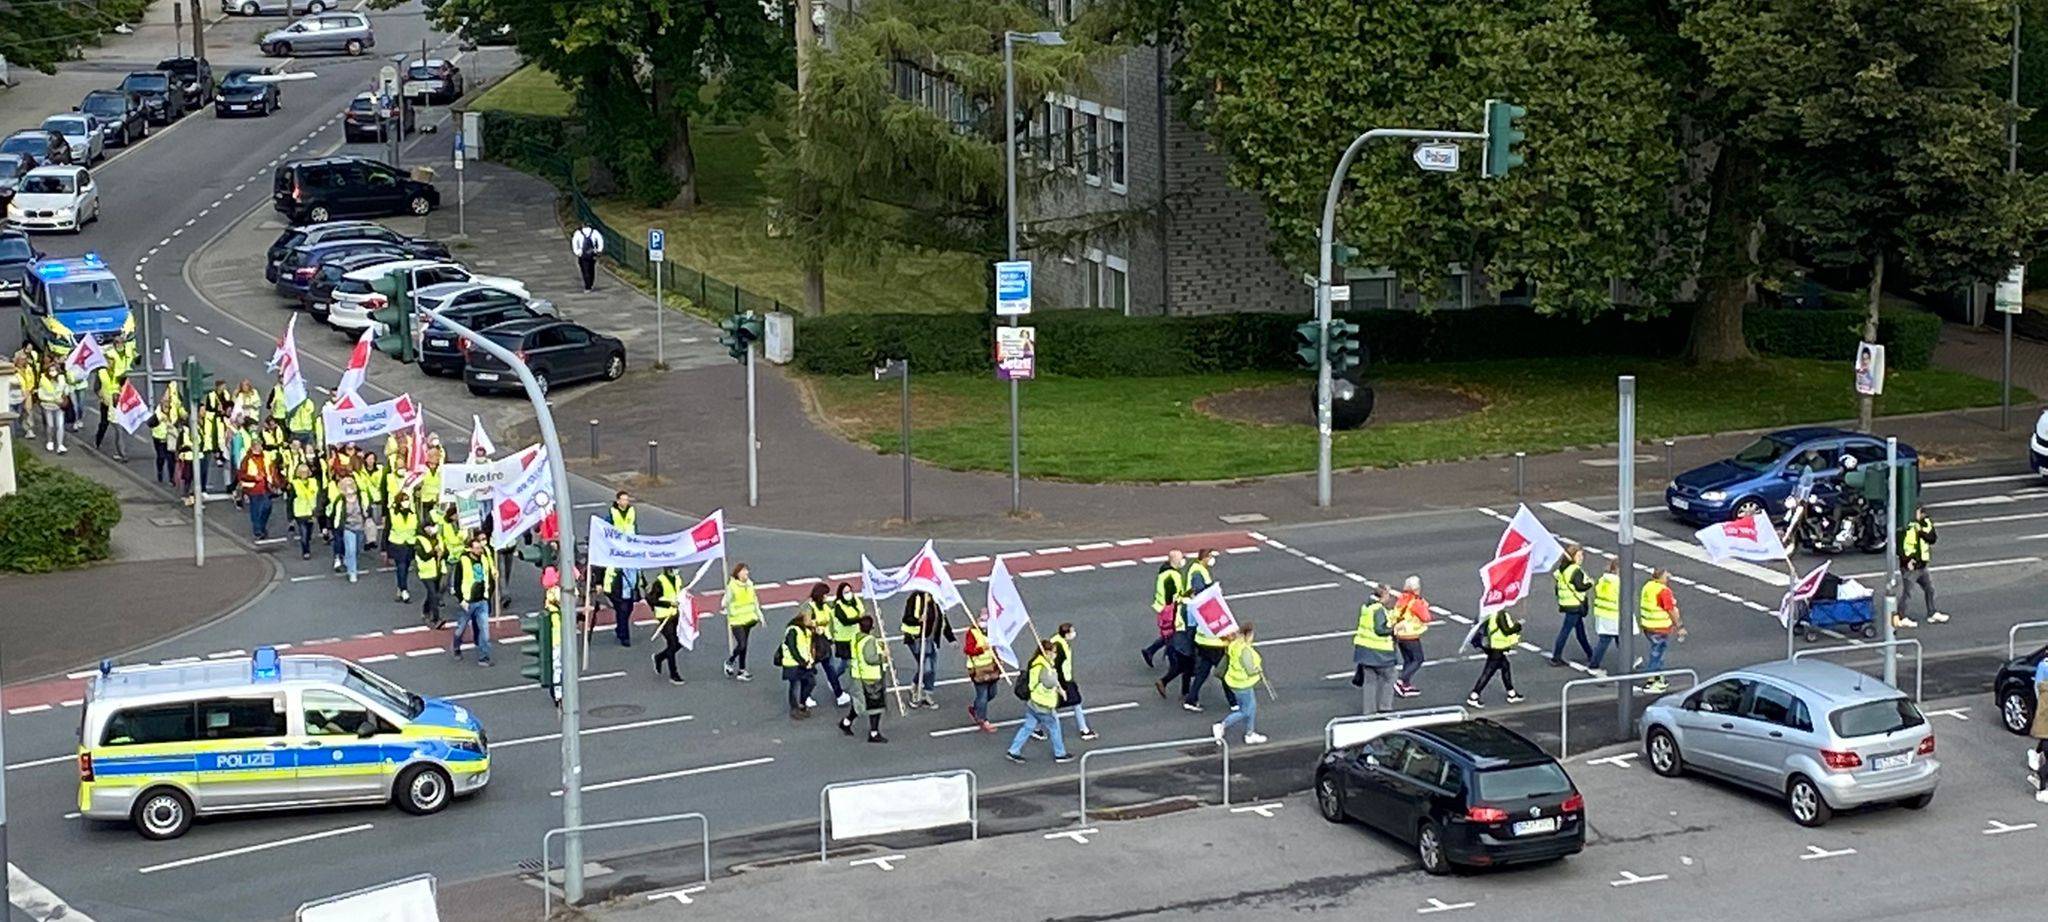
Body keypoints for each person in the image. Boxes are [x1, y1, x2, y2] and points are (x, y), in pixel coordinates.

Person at [1183, 549, 1235, 712]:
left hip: (1202, 641)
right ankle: (1233, 702)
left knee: (1203, 671)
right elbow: (1220, 625)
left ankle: (1191, 699)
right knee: (1224, 672)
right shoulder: (1211, 604)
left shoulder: (1202, 608)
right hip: (1214, 644)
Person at [1006, 640, 1072, 764]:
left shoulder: (1036, 663)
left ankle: (1013, 750)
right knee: (1054, 728)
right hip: (1044, 704)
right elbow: (1049, 682)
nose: (1055, 654)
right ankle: (1060, 753)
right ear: (1046, 652)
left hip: (1033, 702)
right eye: (1053, 652)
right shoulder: (1045, 667)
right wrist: (1057, 684)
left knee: (1028, 727)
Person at [1213, 622, 1266, 745]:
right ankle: (1222, 725)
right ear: (1248, 635)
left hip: (1234, 681)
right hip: (1243, 684)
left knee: (1251, 707)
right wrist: (1258, 669)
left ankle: (1250, 733)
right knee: (1246, 711)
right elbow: (1250, 670)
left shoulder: (1234, 644)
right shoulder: (1245, 650)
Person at [839, 615, 889, 743]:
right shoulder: (870, 641)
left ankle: (846, 722)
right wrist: (883, 656)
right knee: (875, 706)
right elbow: (870, 658)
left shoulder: (855, 638)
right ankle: (874, 733)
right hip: (870, 677)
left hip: (857, 674)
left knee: (859, 703)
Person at [901, 590, 954, 709]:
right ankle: (916, 690)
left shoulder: (936, 602)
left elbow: (943, 621)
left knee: (931, 668)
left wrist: (951, 639)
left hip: (930, 640)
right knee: (927, 667)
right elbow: (906, 618)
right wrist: (918, 620)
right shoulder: (916, 598)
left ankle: (925, 693)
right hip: (916, 639)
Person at [1350, 587, 1399, 714]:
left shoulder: (1366, 607)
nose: (1390, 597)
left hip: (1364, 651)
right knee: (1391, 676)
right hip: (1380, 653)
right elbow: (1380, 629)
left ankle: (1369, 712)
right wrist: (1394, 629)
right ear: (1383, 596)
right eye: (1388, 594)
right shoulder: (1378, 610)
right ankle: (1385, 708)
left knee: (1369, 682)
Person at [1467, 606, 1527, 708]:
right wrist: (1517, 626)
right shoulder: (1499, 614)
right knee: (1488, 672)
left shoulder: (1489, 612)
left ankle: (1511, 693)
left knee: (1505, 666)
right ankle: (1474, 695)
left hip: (1491, 646)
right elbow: (1506, 630)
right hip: (1497, 648)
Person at [1638, 567, 1685, 692]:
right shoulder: (1664, 591)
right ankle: (1653, 681)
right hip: (1660, 627)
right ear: (1661, 577)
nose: (1668, 578)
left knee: (1655, 652)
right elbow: (1670, 610)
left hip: (1648, 625)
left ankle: (1656, 678)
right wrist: (1679, 626)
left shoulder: (1648, 586)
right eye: (1666, 576)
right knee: (1657, 654)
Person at [452, 535, 497, 666]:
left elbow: (488, 577)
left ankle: (484, 657)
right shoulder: (463, 561)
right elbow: (457, 582)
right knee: (460, 628)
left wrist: (489, 594)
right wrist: (461, 600)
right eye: (476, 548)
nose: (479, 550)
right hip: (468, 601)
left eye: (480, 548)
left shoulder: (484, 559)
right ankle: (456, 646)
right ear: (470, 549)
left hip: (482, 601)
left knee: (485, 632)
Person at [1548, 544, 1594, 666]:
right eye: (1579, 555)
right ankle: (1556, 657)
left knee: (1580, 632)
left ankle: (1591, 654)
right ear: (1572, 556)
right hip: (1575, 605)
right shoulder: (1575, 570)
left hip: (1568, 604)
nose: (1581, 558)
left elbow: (1558, 589)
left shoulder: (1563, 570)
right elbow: (1580, 586)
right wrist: (1590, 584)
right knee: (1566, 631)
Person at [1050, 622, 1097, 741]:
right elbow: (1058, 666)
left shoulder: (1058, 641)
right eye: (1072, 631)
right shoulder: (1059, 646)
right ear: (1066, 634)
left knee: (1052, 706)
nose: (1074, 633)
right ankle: (1084, 730)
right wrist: (1062, 685)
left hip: (1064, 679)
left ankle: (1037, 728)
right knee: (1075, 702)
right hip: (1063, 680)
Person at [1900, 506, 1943, 625]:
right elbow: (1903, 546)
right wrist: (1907, 561)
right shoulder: (1908, 526)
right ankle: (1901, 617)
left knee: (1930, 589)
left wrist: (1921, 531)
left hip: (1922, 565)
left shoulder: (1925, 524)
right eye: (1920, 512)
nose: (1922, 515)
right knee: (1907, 593)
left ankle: (1932, 613)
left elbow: (1932, 538)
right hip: (1911, 566)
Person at [1142, 549, 1186, 668]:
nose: (1183, 561)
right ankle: (1173, 662)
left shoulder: (1165, 571)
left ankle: (1150, 651)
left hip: (1163, 608)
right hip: (1169, 609)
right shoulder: (1172, 575)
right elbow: (1171, 596)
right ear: (1175, 560)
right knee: (1171, 635)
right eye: (1181, 558)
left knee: (1169, 634)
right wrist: (1183, 599)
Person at [325, 466, 368, 583]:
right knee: (350, 550)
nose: (349, 489)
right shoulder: (340, 500)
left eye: (351, 486)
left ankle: (348, 561)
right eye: (346, 487)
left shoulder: (361, 497)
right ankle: (352, 572)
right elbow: (334, 514)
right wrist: (333, 528)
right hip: (347, 527)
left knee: (357, 549)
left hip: (360, 526)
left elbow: (366, 510)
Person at [962, 609, 1003, 732]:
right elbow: (968, 650)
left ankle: (976, 709)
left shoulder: (993, 631)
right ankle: (983, 719)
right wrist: (981, 649)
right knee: (983, 695)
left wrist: (999, 659)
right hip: (978, 670)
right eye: (982, 620)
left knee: (992, 693)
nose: (984, 622)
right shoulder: (972, 633)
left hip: (992, 668)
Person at [1392, 576, 1431, 698]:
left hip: (1400, 635)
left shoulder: (1401, 599)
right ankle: (1401, 680)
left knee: (1408, 660)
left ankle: (1406, 685)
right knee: (1418, 659)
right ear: (1416, 589)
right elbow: (1426, 617)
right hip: (1410, 635)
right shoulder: (1416, 602)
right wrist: (1424, 605)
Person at [824, 583, 862, 706]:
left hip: (854, 637)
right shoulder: (838, 607)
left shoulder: (855, 601)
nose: (848, 594)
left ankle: (833, 679)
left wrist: (859, 618)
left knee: (847, 663)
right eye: (845, 592)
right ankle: (834, 679)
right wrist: (859, 619)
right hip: (843, 640)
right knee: (846, 664)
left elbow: (861, 610)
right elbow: (845, 621)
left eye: (849, 591)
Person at [776, 610, 819, 719]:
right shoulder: (793, 630)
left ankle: (802, 702)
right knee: (795, 686)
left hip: (805, 663)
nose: (813, 621)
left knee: (810, 682)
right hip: (793, 663)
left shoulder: (807, 631)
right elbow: (793, 648)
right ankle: (795, 708)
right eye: (811, 619)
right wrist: (802, 661)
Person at [648, 566, 687, 685]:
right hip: (664, 616)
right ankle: (673, 674)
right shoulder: (659, 582)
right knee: (672, 643)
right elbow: (651, 599)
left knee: (680, 643)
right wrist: (669, 604)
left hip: (675, 614)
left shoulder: (677, 579)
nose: (677, 570)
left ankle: (659, 657)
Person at [724, 563, 762, 680]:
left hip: (748, 619)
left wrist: (760, 615)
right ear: (738, 573)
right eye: (744, 571)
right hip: (736, 620)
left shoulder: (749, 584)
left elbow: (754, 600)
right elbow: (725, 601)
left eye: (747, 571)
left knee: (744, 645)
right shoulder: (732, 586)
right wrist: (728, 606)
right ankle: (730, 661)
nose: (747, 573)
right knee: (742, 644)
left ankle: (742, 670)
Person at [236, 441, 278, 540]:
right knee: (256, 510)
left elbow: (272, 470)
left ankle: (262, 527)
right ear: (253, 447)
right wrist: (254, 478)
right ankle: (258, 530)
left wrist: (275, 483)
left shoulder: (266, 457)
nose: (260, 448)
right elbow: (241, 475)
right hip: (253, 488)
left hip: (266, 487)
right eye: (257, 446)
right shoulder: (247, 459)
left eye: (260, 446)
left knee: (267, 508)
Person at [1587, 558, 1622, 676]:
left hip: (1603, 615)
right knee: (1605, 641)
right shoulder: (1618, 582)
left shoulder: (1603, 580)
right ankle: (1593, 665)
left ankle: (1629, 659)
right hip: (1614, 616)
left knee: (1618, 640)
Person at [386, 492, 419, 603]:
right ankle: (404, 590)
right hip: (397, 543)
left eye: (407, 500)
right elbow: (387, 530)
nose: (406, 502)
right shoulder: (392, 513)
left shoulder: (413, 513)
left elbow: (417, 528)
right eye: (404, 500)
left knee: (405, 567)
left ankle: (400, 588)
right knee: (401, 566)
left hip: (410, 543)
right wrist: (384, 549)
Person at [415, 522, 446, 628]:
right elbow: (423, 556)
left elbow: (445, 552)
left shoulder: (438, 538)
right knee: (433, 594)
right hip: (426, 572)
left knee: (432, 593)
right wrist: (434, 552)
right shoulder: (419, 540)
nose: (430, 529)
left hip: (437, 570)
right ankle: (436, 619)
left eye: (431, 527)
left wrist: (443, 553)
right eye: (427, 527)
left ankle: (426, 610)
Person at [601, 564, 641, 647]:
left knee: (628, 610)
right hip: (618, 594)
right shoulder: (614, 567)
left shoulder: (635, 565)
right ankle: (624, 637)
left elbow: (639, 577)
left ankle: (619, 629)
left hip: (630, 593)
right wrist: (609, 594)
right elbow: (608, 579)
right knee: (623, 613)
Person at [286, 463, 320, 560]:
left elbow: (317, 496)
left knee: (309, 533)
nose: (304, 474)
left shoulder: (313, 482)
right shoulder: (294, 484)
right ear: (299, 473)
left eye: (306, 472)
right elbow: (290, 501)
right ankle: (306, 551)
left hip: (311, 512)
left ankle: (307, 543)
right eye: (302, 472)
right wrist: (290, 517)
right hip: (300, 513)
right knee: (303, 534)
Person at [35, 358, 67, 454]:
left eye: (54, 370)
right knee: (50, 425)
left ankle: (60, 444)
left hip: (59, 407)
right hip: (47, 406)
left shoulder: (61, 379)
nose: (53, 372)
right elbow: (41, 395)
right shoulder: (43, 380)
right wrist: (53, 399)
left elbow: (65, 390)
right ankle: (50, 441)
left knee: (60, 425)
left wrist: (64, 396)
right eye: (51, 371)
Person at [571, 223, 605, 291]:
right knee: (591, 269)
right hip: (592, 254)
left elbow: (574, 243)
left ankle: (588, 286)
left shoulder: (578, 233)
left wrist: (577, 252)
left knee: (585, 270)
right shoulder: (595, 232)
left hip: (582, 255)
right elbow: (600, 241)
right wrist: (598, 250)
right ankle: (590, 283)